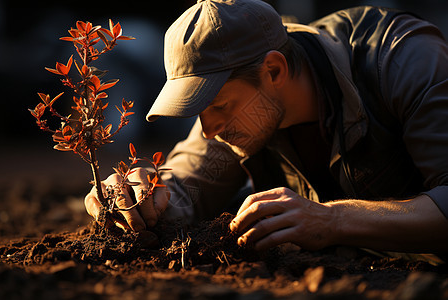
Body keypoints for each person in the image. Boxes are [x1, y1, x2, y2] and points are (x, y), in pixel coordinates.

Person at [85, 0, 448, 255]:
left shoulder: (403, 61)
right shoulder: (243, 97)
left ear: (274, 70)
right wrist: (147, 196)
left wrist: (334, 219)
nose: (209, 129)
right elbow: (189, 181)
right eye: (199, 111)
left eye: (219, 106)